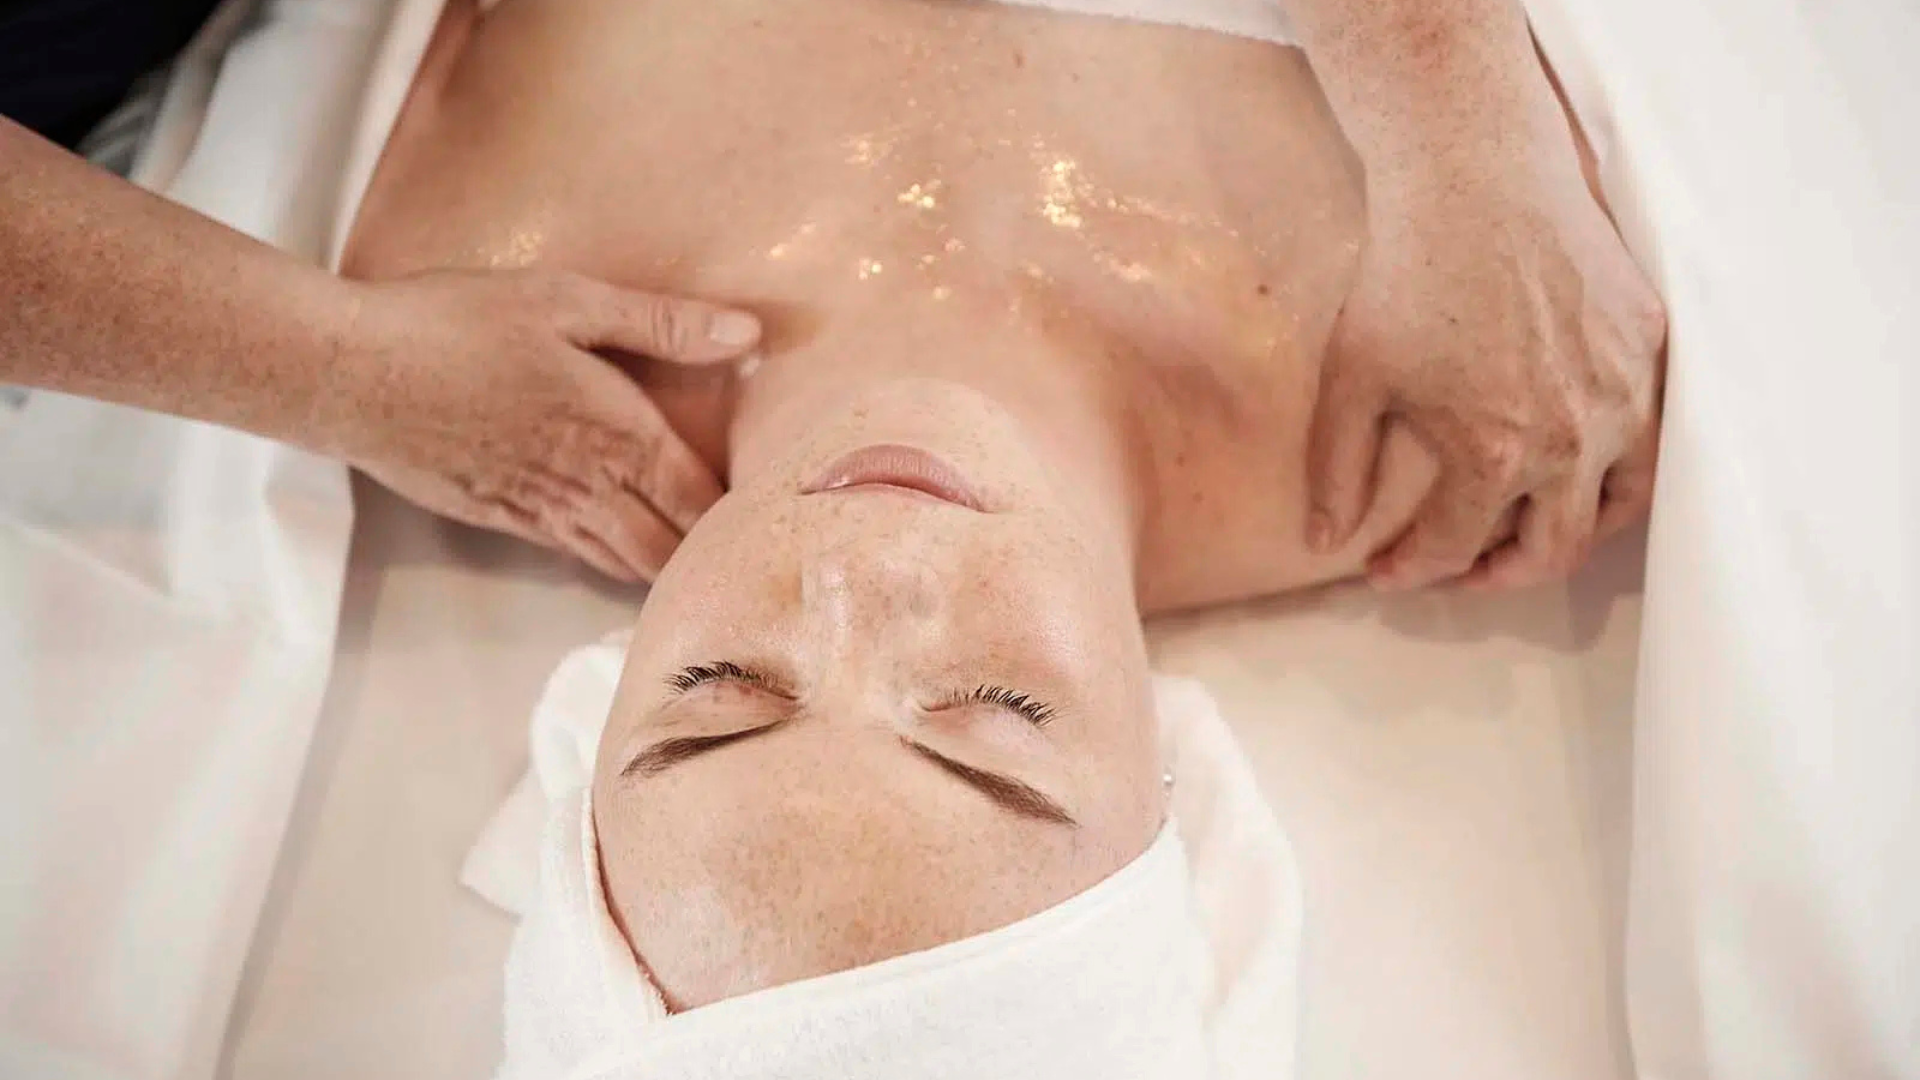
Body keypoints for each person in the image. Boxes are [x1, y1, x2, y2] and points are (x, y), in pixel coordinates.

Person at [337, 0, 1667, 1026]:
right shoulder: (1470, 380)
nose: (867, 570)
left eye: (721, 691)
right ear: (1168, 793)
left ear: (601, 699)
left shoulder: (457, 243)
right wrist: (1464, 134)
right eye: (992, 719)